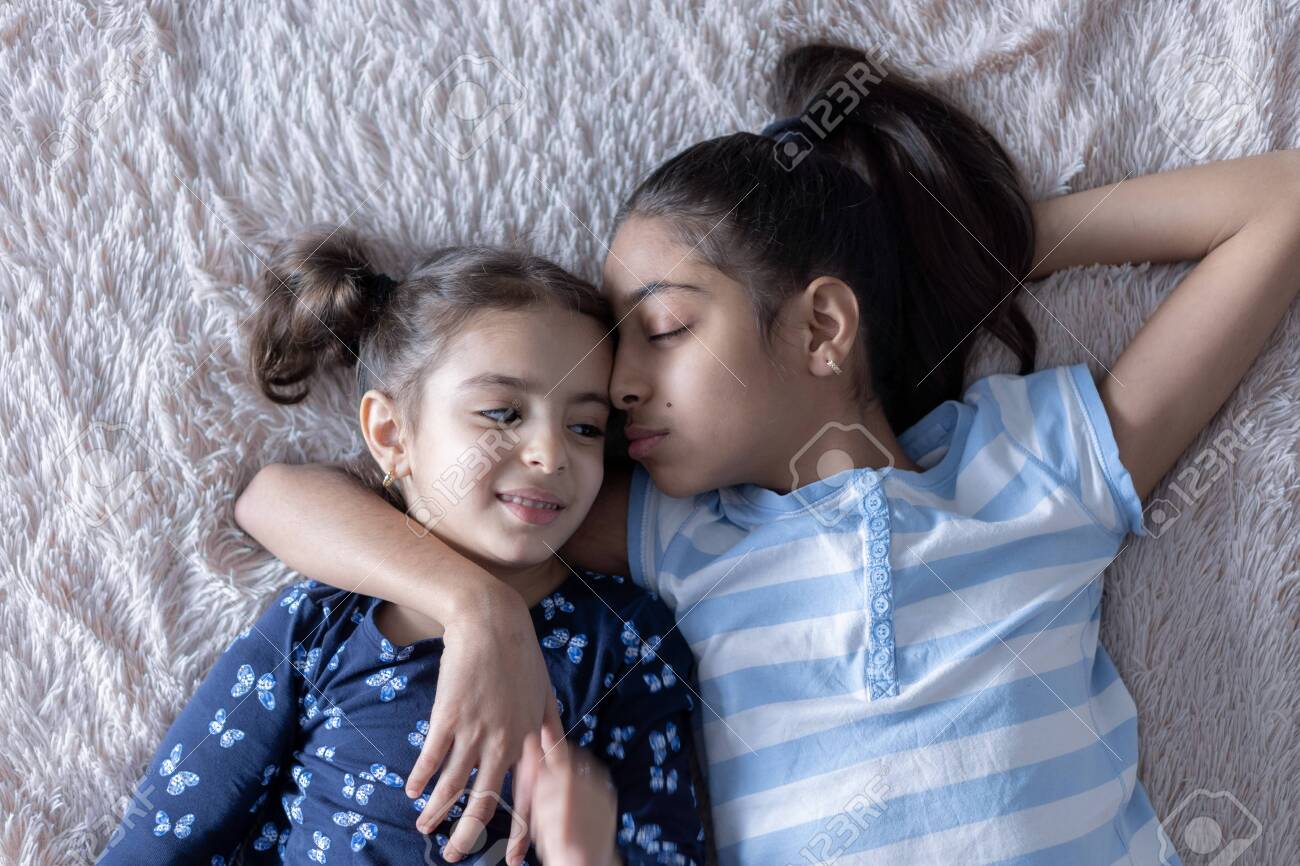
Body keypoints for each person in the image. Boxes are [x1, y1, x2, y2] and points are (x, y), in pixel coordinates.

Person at [235, 42, 1300, 865]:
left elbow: (1280, 200)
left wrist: (958, 250)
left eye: (662, 328)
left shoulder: (1039, 463)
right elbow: (279, 498)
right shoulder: (674, 533)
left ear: (822, 328)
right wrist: (475, 606)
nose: (618, 383)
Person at [95, 236, 707, 866]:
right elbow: (166, 835)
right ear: (391, 435)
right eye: (501, 414)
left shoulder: (628, 640)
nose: (550, 455)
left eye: (584, 427)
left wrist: (587, 852)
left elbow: (670, 852)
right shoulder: (321, 623)